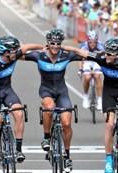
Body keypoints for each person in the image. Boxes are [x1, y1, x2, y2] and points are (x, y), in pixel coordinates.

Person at [62, 38, 118, 173]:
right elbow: (78, 50)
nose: (106, 55)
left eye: (109, 54)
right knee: (109, 125)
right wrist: (58, 47)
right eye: (106, 53)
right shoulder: (101, 57)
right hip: (109, 91)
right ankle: (109, 160)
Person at [16, 28, 83, 172]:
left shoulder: (66, 55)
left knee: (66, 124)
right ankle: (46, 137)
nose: (55, 46)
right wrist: (34, 46)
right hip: (46, 90)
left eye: (58, 43)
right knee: (50, 107)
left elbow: (84, 55)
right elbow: (17, 55)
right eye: (52, 43)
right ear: (47, 43)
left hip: (62, 91)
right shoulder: (38, 55)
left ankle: (67, 157)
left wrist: (67, 47)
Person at [0, 36, 43, 163]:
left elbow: (27, 47)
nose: (17, 52)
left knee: (19, 113)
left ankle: (18, 150)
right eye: (14, 50)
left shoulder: (13, 55)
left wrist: (44, 47)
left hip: (7, 90)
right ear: (5, 52)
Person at [78, 30, 104, 110]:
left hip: (96, 61)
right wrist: (80, 69)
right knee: (87, 77)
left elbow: (104, 55)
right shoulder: (84, 46)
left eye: (94, 42)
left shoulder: (100, 45)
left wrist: (99, 52)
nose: (93, 43)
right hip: (87, 61)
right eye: (90, 42)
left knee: (97, 76)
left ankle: (99, 99)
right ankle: (85, 96)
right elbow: (80, 59)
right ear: (88, 41)